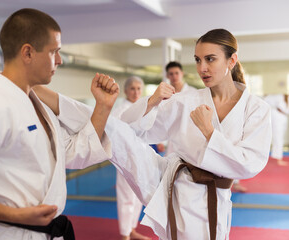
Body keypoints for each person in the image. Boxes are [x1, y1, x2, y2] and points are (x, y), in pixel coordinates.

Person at [37, 28, 272, 240]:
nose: (202, 68)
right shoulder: (186, 101)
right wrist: (151, 102)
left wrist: (210, 133)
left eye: (210, 59)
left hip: (212, 197)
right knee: (113, 128)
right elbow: (133, 131)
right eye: (198, 60)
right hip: (168, 179)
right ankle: (38, 91)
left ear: (232, 60)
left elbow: (250, 164)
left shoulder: (256, 108)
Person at [0, 8, 119, 240]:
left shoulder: (37, 104)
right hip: (12, 233)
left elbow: (72, 153)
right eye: (54, 51)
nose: (59, 60)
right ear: (27, 53)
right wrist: (16, 215)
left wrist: (103, 107)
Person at [111, 76, 150, 240]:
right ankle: (125, 234)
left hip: (141, 157)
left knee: (137, 197)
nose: (136, 92)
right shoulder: (119, 110)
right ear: (126, 90)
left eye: (139, 88)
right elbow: (113, 133)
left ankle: (132, 229)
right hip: (125, 158)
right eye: (132, 88)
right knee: (127, 196)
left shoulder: (143, 108)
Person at [164, 61, 197, 157]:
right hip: (172, 139)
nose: (174, 76)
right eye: (171, 74)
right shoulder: (165, 95)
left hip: (190, 137)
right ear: (167, 76)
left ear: (182, 74)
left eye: (176, 73)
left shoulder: (193, 93)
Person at [264, 94, 289, 166]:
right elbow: (266, 99)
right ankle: (278, 158)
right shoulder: (279, 95)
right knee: (278, 138)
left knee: (279, 138)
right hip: (276, 117)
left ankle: (277, 156)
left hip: (283, 117)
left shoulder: (286, 98)